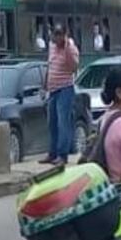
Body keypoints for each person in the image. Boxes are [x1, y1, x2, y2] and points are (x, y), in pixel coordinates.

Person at [41, 25, 80, 165]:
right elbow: (49, 65)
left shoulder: (71, 48)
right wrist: (45, 85)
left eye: (59, 34)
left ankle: (62, 155)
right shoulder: (51, 47)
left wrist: (67, 48)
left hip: (65, 89)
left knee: (63, 122)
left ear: (64, 35)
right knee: (52, 122)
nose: (56, 37)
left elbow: (74, 67)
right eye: (54, 34)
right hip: (53, 89)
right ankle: (52, 153)